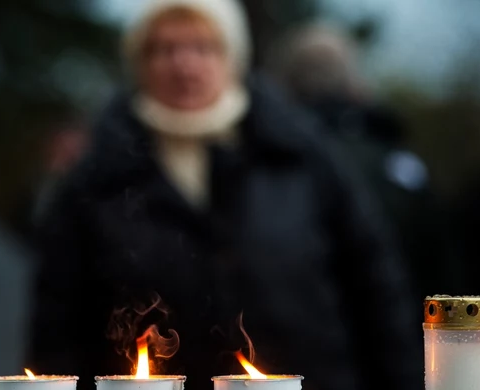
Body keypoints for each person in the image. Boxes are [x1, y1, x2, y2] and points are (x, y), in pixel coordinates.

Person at [28, 2, 423, 390]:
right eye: (165, 49)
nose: (184, 65)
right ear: (139, 62)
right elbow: (57, 326)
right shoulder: (96, 180)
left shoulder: (302, 157)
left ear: (233, 56)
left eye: (203, 47)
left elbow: (376, 289)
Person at [267, 22, 463, 302]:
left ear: (284, 82)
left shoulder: (272, 164)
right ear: (354, 82)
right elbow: (445, 272)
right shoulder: (401, 165)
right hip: (412, 334)